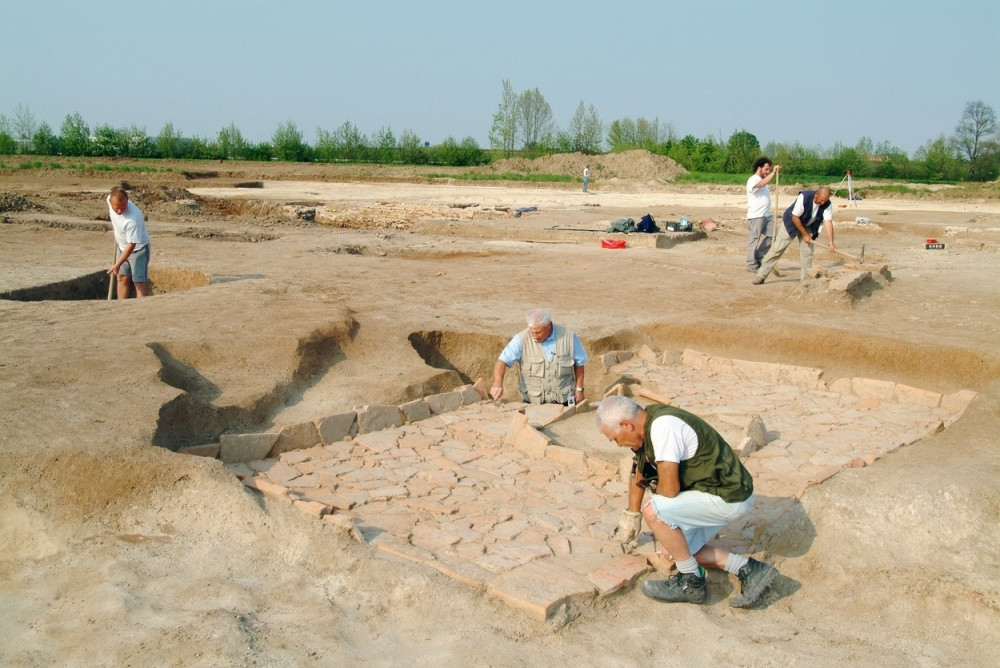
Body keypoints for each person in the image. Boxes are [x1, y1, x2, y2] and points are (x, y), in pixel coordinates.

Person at [596, 395, 780, 607]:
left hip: (728, 496)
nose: (618, 444)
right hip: (712, 493)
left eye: (614, 438)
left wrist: (652, 502)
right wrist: (632, 513)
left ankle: (691, 583)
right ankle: (750, 570)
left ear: (626, 425)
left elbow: (670, 490)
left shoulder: (663, 428)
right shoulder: (646, 427)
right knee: (674, 549)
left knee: (654, 510)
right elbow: (639, 470)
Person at [491, 309, 587, 405]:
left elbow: (579, 363)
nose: (534, 336)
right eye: (532, 332)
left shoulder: (569, 337)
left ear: (549, 325)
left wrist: (579, 389)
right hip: (533, 403)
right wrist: (497, 383)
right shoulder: (521, 339)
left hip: (565, 400)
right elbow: (502, 361)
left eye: (538, 332)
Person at [753, 186, 835, 284]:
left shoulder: (827, 204)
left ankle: (805, 281)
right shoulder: (804, 197)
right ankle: (761, 275)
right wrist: (805, 235)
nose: (822, 203)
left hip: (808, 225)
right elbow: (795, 218)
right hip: (791, 222)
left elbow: (828, 223)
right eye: (821, 200)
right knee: (777, 249)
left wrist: (831, 243)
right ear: (816, 194)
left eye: (825, 201)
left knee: (807, 253)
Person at [106, 186, 152, 299]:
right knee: (121, 277)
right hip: (121, 247)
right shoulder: (109, 199)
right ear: (110, 202)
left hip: (138, 250)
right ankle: (122, 306)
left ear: (127, 201)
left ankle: (141, 308)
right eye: (116, 209)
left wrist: (117, 265)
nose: (120, 211)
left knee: (139, 282)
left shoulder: (133, 218)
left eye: (123, 207)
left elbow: (132, 245)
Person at [746, 157, 781, 272]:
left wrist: (771, 174)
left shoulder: (764, 181)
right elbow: (760, 184)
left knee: (773, 236)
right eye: (766, 169)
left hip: (766, 215)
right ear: (759, 168)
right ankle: (751, 264)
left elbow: (764, 183)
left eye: (769, 170)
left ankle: (758, 257)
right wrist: (773, 173)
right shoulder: (753, 179)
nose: (767, 171)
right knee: (754, 239)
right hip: (756, 216)